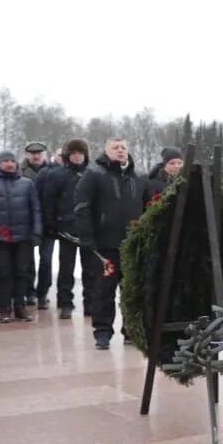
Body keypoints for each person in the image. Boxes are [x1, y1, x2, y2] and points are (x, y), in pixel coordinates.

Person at [74, 137, 143, 349]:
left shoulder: (139, 176)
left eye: (123, 147)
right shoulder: (94, 174)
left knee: (131, 291)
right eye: (115, 148)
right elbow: (81, 207)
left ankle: (131, 330)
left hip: (133, 245)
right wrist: (87, 236)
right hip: (105, 247)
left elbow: (149, 206)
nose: (120, 151)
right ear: (107, 151)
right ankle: (102, 332)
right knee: (104, 291)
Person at [0, 149, 42, 323]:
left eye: (12, 161)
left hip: (24, 237)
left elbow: (36, 209)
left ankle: (20, 306)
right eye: (5, 161)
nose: (10, 164)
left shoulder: (27, 183)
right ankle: (4, 308)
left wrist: (37, 232)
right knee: (4, 273)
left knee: (22, 273)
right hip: (0, 237)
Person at [39, 138, 95, 319]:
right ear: (68, 155)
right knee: (66, 269)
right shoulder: (57, 175)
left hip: (88, 229)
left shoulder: (93, 173)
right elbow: (49, 201)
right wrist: (50, 223)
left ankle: (91, 303)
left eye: (80, 153)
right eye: (73, 153)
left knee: (90, 269)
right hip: (66, 228)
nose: (77, 156)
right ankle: (65, 303)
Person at [22, 142, 53, 309]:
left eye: (39, 152)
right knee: (27, 260)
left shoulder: (53, 172)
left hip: (47, 223)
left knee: (46, 260)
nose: (36, 156)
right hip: (27, 221)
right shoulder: (19, 172)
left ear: (44, 154)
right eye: (32, 153)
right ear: (27, 154)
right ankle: (29, 292)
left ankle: (43, 292)